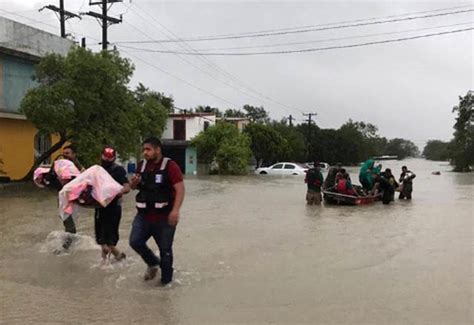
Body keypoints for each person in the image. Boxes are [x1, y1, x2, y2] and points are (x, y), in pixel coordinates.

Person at [129, 137, 185, 286]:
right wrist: (133, 184)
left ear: (157, 150)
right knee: (135, 241)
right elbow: (134, 186)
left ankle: (166, 285)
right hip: (144, 216)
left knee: (165, 251)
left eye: (148, 149)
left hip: (164, 217)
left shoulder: (170, 166)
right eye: (144, 150)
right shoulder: (141, 166)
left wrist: (175, 210)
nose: (145, 153)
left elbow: (180, 189)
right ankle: (153, 263)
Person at [94, 147, 130, 262]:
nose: (107, 159)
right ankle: (107, 261)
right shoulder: (97, 170)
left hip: (114, 208)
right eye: (105, 156)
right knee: (100, 237)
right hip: (100, 207)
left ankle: (116, 257)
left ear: (114, 158)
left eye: (109, 157)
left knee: (109, 239)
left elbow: (127, 187)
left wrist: (120, 192)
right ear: (101, 156)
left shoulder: (118, 170)